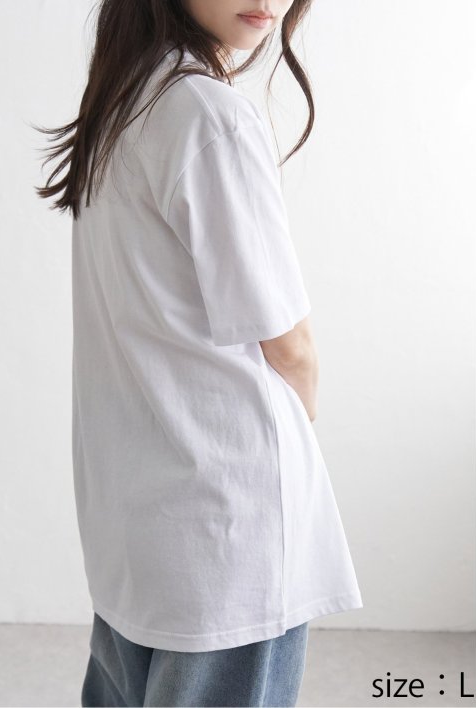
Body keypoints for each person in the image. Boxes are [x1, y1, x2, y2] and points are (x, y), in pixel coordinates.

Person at [35, 1, 363, 705]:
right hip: (226, 520)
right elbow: (290, 344)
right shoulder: (210, 116)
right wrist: (299, 431)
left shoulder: (123, 100)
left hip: (137, 516)